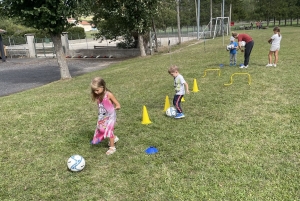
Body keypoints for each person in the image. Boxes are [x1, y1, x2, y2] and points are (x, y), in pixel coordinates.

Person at [90, 77, 121, 155]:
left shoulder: (108, 94)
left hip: (110, 116)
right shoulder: (98, 96)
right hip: (103, 116)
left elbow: (118, 105)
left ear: (102, 87)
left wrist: (116, 107)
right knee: (102, 130)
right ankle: (114, 138)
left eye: (97, 90)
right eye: (94, 91)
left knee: (109, 131)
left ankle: (112, 147)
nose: (96, 92)